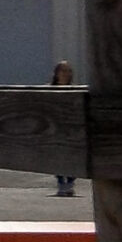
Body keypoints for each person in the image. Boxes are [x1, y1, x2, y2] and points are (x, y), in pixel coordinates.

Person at [49, 59, 77, 195]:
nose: (66, 74)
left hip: (71, 128)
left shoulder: (76, 90)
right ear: (56, 73)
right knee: (57, 156)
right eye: (63, 71)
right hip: (55, 127)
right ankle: (61, 183)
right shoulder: (49, 90)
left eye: (68, 71)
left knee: (73, 157)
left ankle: (70, 182)